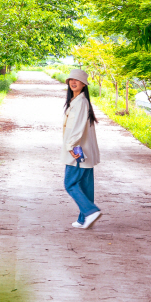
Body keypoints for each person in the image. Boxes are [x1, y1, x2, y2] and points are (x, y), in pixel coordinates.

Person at [63, 68, 102, 229]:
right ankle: (84, 219)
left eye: (77, 80)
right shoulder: (78, 101)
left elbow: (77, 128)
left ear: (84, 84)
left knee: (70, 183)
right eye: (71, 79)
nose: (73, 82)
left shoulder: (80, 103)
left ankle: (90, 211)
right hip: (84, 151)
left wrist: (70, 146)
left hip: (77, 151)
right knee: (85, 186)